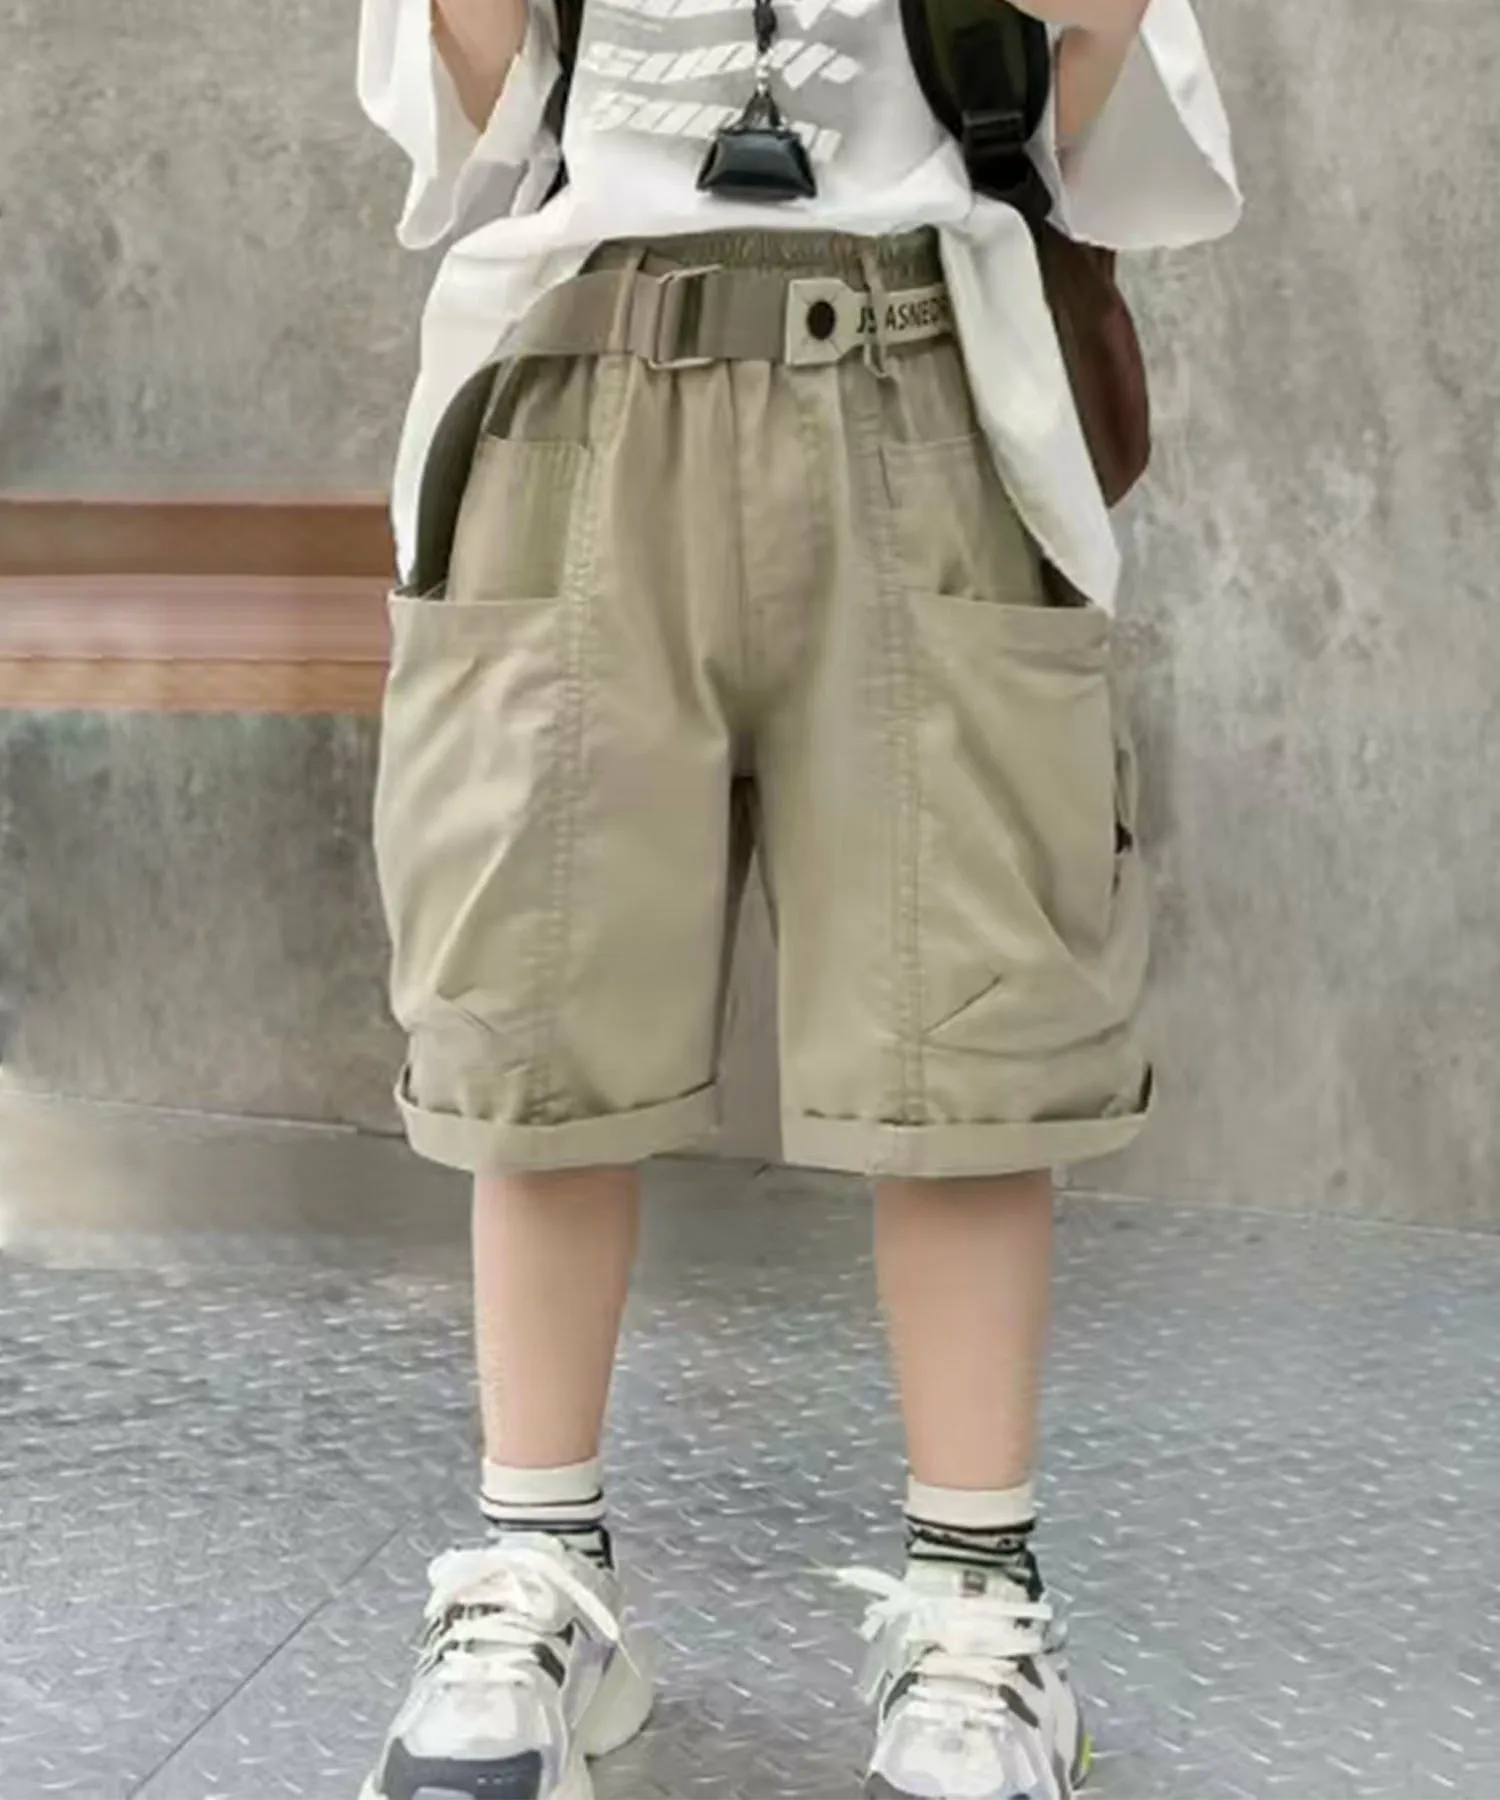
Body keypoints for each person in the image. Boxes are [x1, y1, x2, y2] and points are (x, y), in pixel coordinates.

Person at [355, 0, 1239, 1794]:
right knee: (538, 1017)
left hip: (927, 389)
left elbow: (1099, 144)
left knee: (971, 1034)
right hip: (580, 387)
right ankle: (543, 1573)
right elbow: (470, 129)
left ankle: (980, 1611)